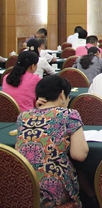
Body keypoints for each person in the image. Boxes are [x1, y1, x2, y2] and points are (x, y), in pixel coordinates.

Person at [16, 75, 89, 207]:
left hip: (25, 189)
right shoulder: (69, 114)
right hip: (54, 192)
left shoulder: (23, 116)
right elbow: (79, 155)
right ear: (62, 94)